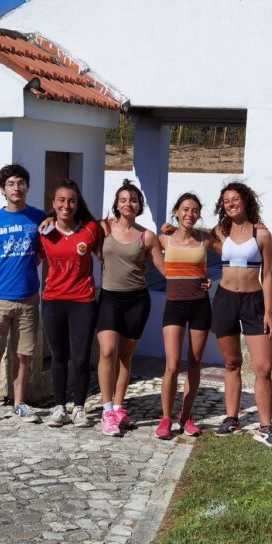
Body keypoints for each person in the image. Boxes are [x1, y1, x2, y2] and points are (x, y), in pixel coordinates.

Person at [0, 163, 45, 427]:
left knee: (23, 355)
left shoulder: (39, 218)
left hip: (28, 298)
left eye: (21, 182)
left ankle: (19, 404)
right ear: (3, 190)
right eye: (11, 184)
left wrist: (33, 261)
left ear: (27, 187)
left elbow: (46, 250)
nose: (17, 188)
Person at [209, 182, 272, 446]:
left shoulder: (261, 234)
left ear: (245, 200)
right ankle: (232, 419)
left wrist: (268, 312)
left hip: (254, 302)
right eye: (226, 200)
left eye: (235, 198)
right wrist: (170, 231)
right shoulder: (220, 232)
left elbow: (268, 274)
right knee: (231, 363)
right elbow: (195, 239)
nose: (230, 203)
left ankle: (266, 427)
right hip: (225, 299)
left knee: (263, 367)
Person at [96, 179, 165, 437]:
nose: (128, 203)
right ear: (116, 204)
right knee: (107, 351)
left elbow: (166, 269)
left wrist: (195, 275)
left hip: (137, 301)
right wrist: (49, 220)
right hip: (110, 299)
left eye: (133, 200)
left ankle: (118, 406)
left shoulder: (147, 236)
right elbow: (76, 236)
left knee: (125, 357)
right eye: (123, 199)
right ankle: (106, 410)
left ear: (140, 206)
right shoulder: (103, 228)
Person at [38, 179, 102, 428]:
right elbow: (30, 259)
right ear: (53, 204)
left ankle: (79, 408)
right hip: (53, 299)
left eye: (71, 200)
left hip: (83, 301)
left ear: (77, 204)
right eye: (61, 200)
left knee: (81, 356)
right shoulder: (44, 231)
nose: (66, 205)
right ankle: (59, 407)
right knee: (59, 355)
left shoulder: (90, 230)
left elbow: (107, 252)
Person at [155, 193, 212, 439]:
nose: (190, 214)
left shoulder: (205, 240)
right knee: (172, 364)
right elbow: (144, 246)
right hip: (174, 306)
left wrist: (211, 280)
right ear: (176, 211)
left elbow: (230, 237)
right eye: (185, 209)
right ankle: (166, 418)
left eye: (195, 210)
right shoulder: (164, 239)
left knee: (195, 363)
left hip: (200, 305)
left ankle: (186, 416)